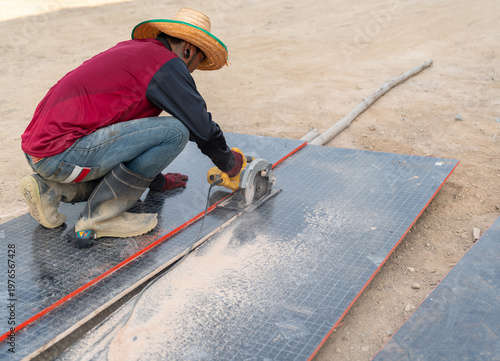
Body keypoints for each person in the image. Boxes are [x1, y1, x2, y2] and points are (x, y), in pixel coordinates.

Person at [20, 7, 244, 246]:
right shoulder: (167, 65)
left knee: (142, 145)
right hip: (64, 153)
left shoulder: (136, 53)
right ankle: (101, 218)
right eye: (196, 63)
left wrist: (156, 181)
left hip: (42, 153)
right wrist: (230, 163)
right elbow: (202, 128)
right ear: (189, 49)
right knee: (178, 131)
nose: (191, 71)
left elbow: (124, 133)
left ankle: (50, 190)